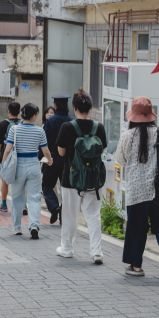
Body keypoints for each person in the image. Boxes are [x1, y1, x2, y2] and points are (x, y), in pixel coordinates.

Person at [115, 96, 159, 282]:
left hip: (136, 191)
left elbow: (121, 160)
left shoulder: (127, 136)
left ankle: (136, 266)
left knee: (136, 228)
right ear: (151, 115)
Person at [56, 88, 106, 264]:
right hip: (93, 177)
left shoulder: (67, 127)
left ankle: (67, 248)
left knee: (69, 214)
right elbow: (103, 150)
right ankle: (96, 252)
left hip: (71, 178)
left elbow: (61, 153)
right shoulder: (98, 127)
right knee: (93, 215)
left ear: (74, 107)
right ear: (90, 108)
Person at [2, 103, 53, 239]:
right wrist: (50, 160)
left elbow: (7, 150)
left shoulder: (14, 129)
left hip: (17, 166)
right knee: (35, 198)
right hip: (33, 165)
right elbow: (45, 151)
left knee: (17, 198)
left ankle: (17, 228)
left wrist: (3, 163)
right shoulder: (39, 131)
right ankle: (34, 225)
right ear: (34, 116)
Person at [42, 95, 73, 224]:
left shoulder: (50, 121)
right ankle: (63, 214)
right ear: (67, 106)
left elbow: (44, 142)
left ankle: (54, 207)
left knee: (47, 185)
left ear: (55, 106)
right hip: (68, 160)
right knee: (66, 188)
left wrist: (42, 158)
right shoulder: (72, 121)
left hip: (52, 158)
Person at [0, 102, 22, 212]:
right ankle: (24, 206)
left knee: (5, 181)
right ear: (19, 112)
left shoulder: (3, 124)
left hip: (7, 157)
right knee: (22, 182)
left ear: (8, 111)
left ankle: (4, 205)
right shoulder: (23, 123)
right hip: (21, 157)